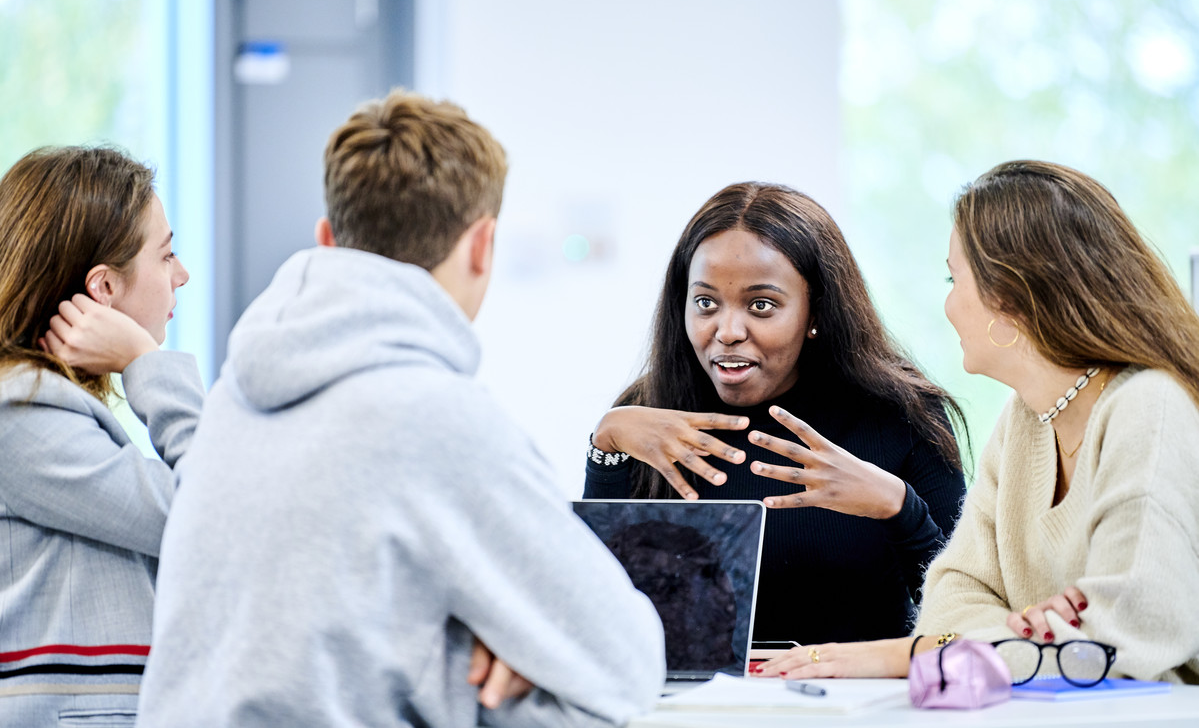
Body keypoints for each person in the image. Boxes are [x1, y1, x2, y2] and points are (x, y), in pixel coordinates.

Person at [135, 89, 665, 728]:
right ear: (482, 245)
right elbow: (627, 663)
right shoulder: (439, 418)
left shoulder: (230, 402)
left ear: (328, 240)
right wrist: (521, 645)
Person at [758, 160, 1199, 683]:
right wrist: (1024, 637)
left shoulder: (1149, 406)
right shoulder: (1026, 420)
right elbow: (949, 602)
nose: (948, 303)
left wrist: (919, 654)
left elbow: (1122, 641)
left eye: (954, 277)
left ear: (1009, 297)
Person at [584, 182, 968, 645]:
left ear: (816, 311)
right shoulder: (643, 417)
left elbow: (963, 619)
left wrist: (899, 507)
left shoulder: (903, 414)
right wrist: (605, 442)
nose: (727, 331)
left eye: (761, 305)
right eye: (706, 303)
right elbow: (593, 607)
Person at [0, 146, 202, 726]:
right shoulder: (19, 414)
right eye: (166, 257)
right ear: (104, 289)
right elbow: (214, 512)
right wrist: (146, 361)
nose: (181, 276)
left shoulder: (45, 409)